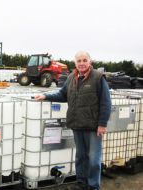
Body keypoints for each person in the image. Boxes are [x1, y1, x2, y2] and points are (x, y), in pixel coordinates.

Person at [35, 51, 111, 190]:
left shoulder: (98, 78)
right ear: (75, 63)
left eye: (84, 60)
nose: (81, 63)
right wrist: (45, 96)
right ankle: (81, 184)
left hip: (93, 127)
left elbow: (106, 103)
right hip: (77, 125)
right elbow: (62, 94)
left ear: (90, 61)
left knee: (94, 160)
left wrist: (102, 124)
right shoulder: (71, 77)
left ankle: (93, 186)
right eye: (79, 61)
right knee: (80, 158)